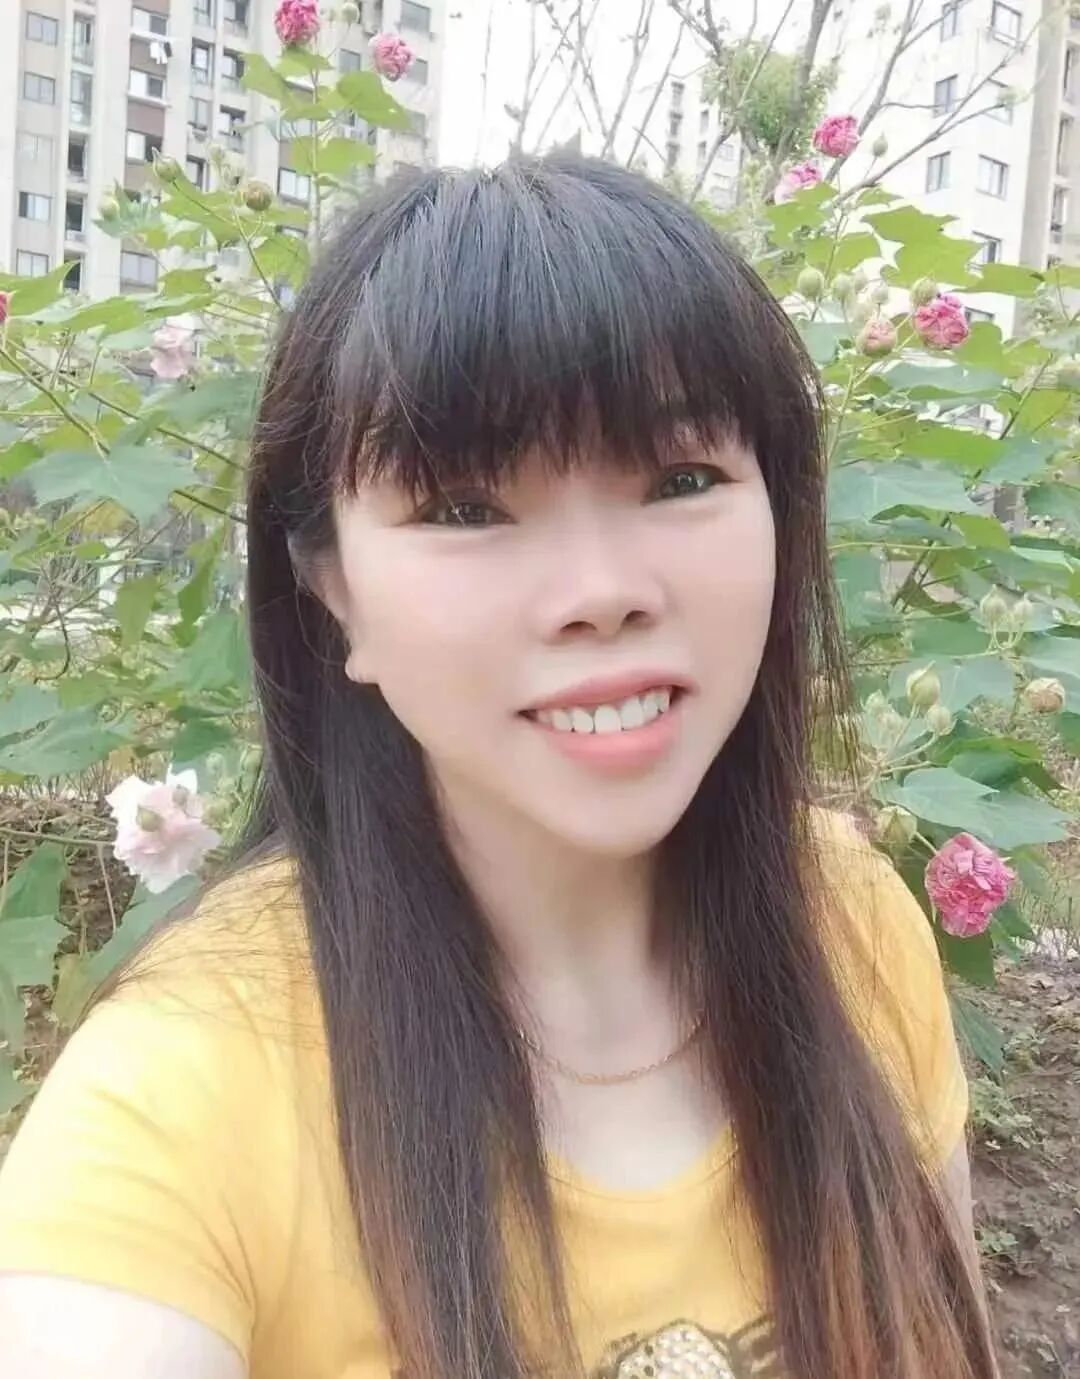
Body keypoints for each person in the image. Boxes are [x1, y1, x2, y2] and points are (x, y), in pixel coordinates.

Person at [0, 154, 998, 1379]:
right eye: (466, 509)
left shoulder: (852, 923)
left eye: (682, 479)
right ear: (332, 591)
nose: (602, 592)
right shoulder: (179, 1092)